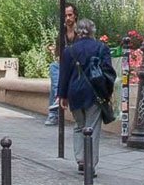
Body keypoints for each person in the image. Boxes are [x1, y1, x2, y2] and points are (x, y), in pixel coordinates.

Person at [59, 18, 116, 176]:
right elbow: (109, 72)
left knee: (79, 126)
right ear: (93, 31)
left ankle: (81, 160)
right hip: (94, 94)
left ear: (78, 31)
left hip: (74, 94)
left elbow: (64, 75)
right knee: (92, 128)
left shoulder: (69, 50)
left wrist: (62, 96)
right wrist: (107, 93)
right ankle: (90, 164)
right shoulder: (101, 48)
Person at [48, 2, 79, 126]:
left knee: (56, 77)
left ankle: (54, 110)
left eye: (70, 15)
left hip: (78, 67)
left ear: (75, 15)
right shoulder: (62, 33)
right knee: (54, 67)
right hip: (66, 67)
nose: (67, 19)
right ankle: (57, 98)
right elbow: (59, 55)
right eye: (65, 16)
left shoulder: (81, 32)